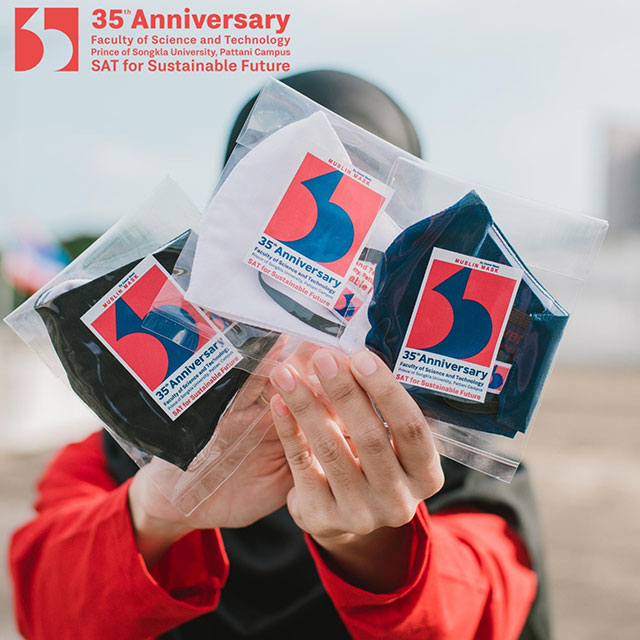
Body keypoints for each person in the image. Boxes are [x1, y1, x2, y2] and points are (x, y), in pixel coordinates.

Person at [9, 71, 549, 640]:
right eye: (290, 241)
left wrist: (376, 544)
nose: (319, 298)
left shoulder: (447, 461)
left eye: (365, 250)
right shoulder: (121, 452)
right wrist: (157, 509)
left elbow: (486, 605)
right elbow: (47, 611)